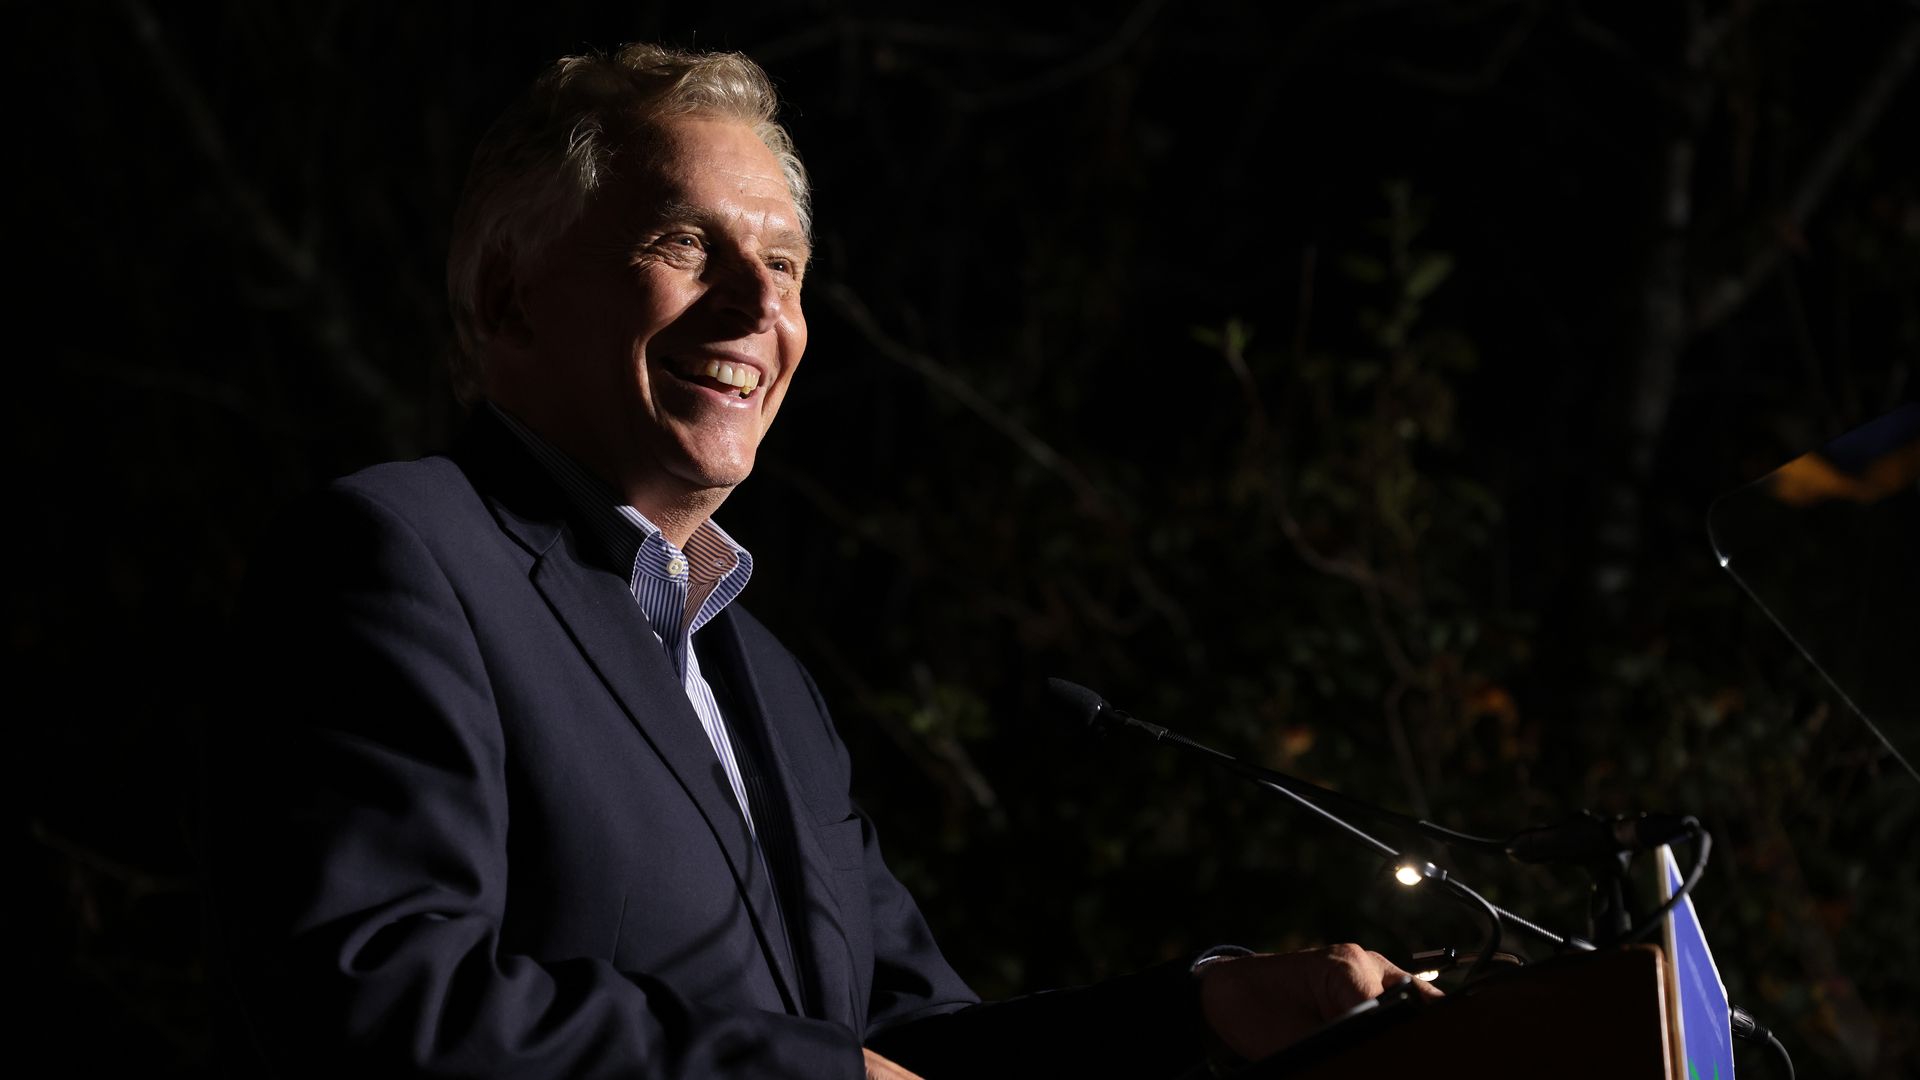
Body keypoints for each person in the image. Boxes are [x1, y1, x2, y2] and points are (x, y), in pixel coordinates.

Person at [206, 43, 1435, 1079]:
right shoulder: (404, 555)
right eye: (688, 243)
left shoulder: (772, 687)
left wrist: (1209, 1016)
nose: (757, 310)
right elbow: (370, 996)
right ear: (509, 293)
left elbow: (908, 1048)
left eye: (783, 265)